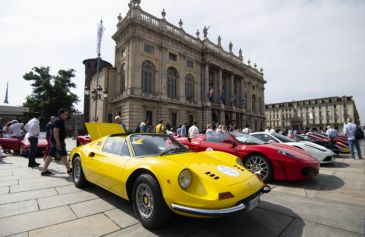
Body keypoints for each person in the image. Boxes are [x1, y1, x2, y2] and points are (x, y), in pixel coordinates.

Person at [41, 109, 72, 175]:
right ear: (61, 114)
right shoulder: (58, 121)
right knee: (60, 155)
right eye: (65, 114)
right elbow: (55, 131)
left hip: (57, 141)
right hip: (57, 141)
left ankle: (69, 169)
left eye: (67, 114)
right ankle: (68, 169)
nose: (67, 116)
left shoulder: (60, 121)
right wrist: (58, 142)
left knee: (57, 155)